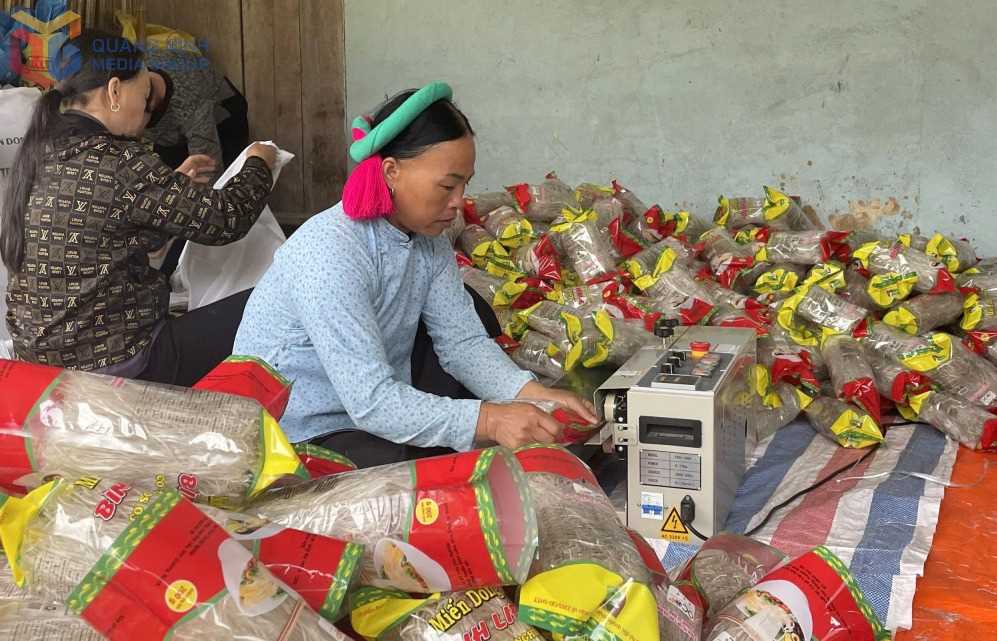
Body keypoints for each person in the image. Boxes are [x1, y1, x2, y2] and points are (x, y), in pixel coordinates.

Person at [235, 82, 597, 467]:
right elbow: (372, 402)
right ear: (391, 171)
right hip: (298, 432)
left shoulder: (426, 239)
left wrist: (529, 393)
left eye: (465, 184)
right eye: (447, 185)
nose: (458, 202)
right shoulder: (330, 252)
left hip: (365, 415)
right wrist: (489, 419)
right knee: (442, 471)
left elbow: (462, 341)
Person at [0, 31, 278, 385]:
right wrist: (259, 162)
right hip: (117, 361)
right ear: (115, 91)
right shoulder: (120, 161)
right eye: (145, 96)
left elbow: (105, 229)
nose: (147, 111)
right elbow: (228, 218)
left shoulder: (40, 153)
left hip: (40, 358)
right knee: (281, 297)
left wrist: (168, 190)